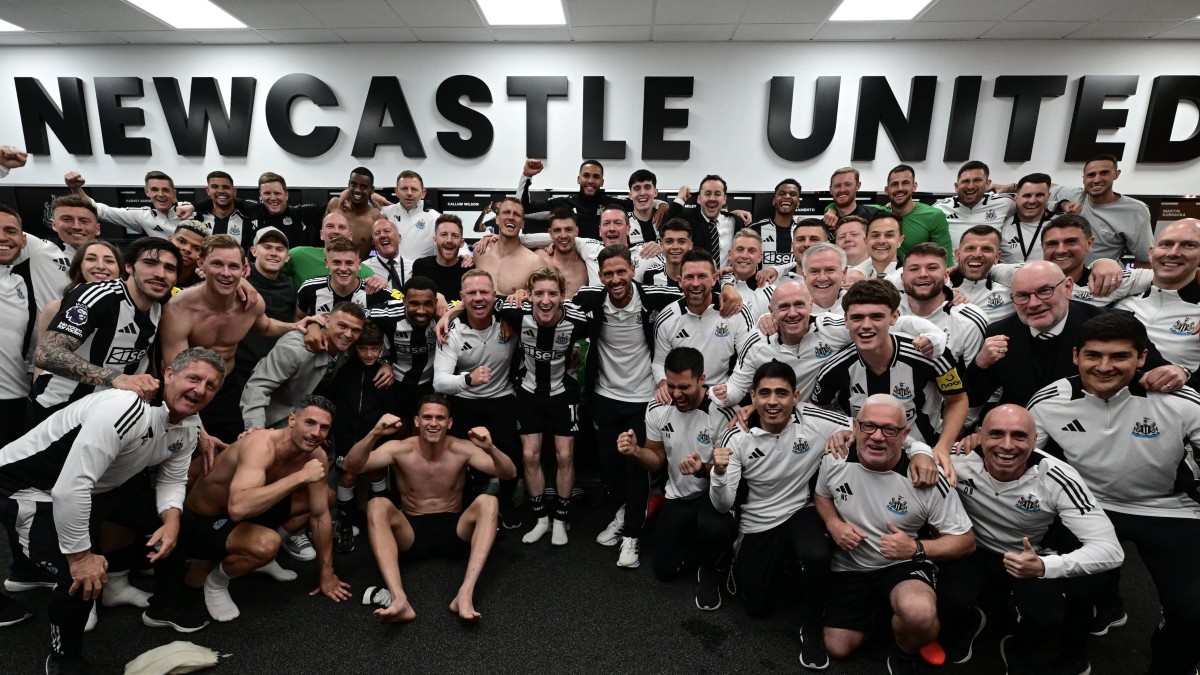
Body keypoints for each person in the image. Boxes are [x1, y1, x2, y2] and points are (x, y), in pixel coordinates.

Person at [0, 348, 226, 672]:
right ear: (169, 375)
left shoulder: (189, 426)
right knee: (76, 578)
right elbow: (70, 488)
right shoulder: (126, 407)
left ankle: (163, 607)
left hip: (101, 484)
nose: (200, 389)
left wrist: (172, 520)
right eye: (193, 378)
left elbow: (173, 479)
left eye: (210, 385)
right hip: (30, 486)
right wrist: (81, 558)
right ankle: (65, 659)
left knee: (180, 529)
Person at [1027, 312, 1200, 674]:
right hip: (1091, 505)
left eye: (1120, 356)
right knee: (1075, 595)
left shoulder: (1180, 399)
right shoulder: (1049, 401)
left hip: (1169, 508)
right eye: (1093, 355)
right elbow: (1022, 457)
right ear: (1076, 355)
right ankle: (1073, 658)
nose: (1104, 367)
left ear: (1142, 357)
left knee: (1190, 612)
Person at [941, 405, 1122, 673]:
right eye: (996, 434)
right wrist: (921, 453)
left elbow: (1111, 550)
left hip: (1030, 555)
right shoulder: (956, 458)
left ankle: (1018, 648)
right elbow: (904, 449)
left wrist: (1045, 566)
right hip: (974, 549)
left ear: (1035, 440)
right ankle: (971, 621)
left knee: (1046, 619)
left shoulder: (1057, 476)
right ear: (980, 435)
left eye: (1019, 435)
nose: (1007, 445)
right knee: (947, 600)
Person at [814, 394, 975, 674]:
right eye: (868, 426)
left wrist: (915, 548)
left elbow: (966, 541)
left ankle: (905, 650)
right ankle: (881, 613)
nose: (877, 437)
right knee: (838, 647)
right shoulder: (835, 457)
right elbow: (822, 495)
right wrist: (834, 524)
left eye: (889, 429)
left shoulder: (926, 476)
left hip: (902, 565)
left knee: (919, 615)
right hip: (851, 565)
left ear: (905, 435)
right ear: (855, 427)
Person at [710, 361, 855, 667]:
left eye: (782, 393)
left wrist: (848, 434)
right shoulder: (736, 435)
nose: (773, 401)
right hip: (758, 520)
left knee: (816, 554)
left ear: (796, 396)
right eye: (764, 393)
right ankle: (755, 562)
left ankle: (813, 625)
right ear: (753, 397)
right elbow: (723, 505)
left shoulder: (812, 418)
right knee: (757, 609)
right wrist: (719, 474)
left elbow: (868, 426)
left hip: (800, 510)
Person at [343, 397, 517, 622]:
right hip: (412, 532)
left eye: (440, 418)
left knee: (489, 501)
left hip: (454, 529)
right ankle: (399, 599)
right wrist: (374, 434)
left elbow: (509, 473)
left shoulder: (462, 448)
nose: (433, 423)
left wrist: (491, 448)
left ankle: (465, 595)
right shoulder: (400, 449)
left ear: (449, 423)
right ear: (417, 421)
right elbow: (350, 465)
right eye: (427, 417)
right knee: (376, 504)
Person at [181, 395, 350, 622]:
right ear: (292, 420)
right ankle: (217, 583)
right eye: (309, 423)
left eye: (324, 427)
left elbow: (320, 516)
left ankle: (261, 558)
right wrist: (300, 477)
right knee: (268, 544)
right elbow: (238, 508)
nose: (315, 433)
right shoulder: (261, 445)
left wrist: (327, 574)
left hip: (247, 514)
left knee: (324, 498)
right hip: (204, 521)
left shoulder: (316, 455)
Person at [573, 245, 684, 566]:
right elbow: (549, 305)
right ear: (600, 275)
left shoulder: (654, 297)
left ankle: (632, 537)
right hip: (604, 399)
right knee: (610, 465)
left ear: (633, 270)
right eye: (608, 273)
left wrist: (728, 290)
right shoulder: (590, 298)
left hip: (643, 400)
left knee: (637, 469)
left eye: (621, 271)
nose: (615, 279)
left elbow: (698, 292)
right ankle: (624, 513)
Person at [159, 234, 320, 444]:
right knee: (186, 448)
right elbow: (178, 374)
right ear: (201, 264)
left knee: (234, 446)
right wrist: (200, 432)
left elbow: (266, 326)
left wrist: (296, 326)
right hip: (186, 389)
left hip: (226, 385)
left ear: (244, 269)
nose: (226, 273)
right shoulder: (179, 309)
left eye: (233, 266)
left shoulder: (251, 302)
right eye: (217, 264)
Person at [966, 261, 1187, 409]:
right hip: (1025, 441)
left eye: (1045, 291)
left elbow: (1163, 372)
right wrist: (980, 364)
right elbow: (974, 399)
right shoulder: (999, 333)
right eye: (1022, 295)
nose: (1033, 303)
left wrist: (1180, 372)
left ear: (1068, 288)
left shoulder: (1116, 325)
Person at [811, 279, 968, 480]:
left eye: (876, 317)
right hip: (863, 459)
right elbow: (817, 412)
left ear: (894, 317)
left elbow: (957, 399)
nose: (866, 326)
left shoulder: (928, 354)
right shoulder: (835, 367)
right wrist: (842, 429)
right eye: (857, 317)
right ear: (846, 320)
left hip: (924, 453)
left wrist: (942, 448)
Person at [616, 347, 735, 603]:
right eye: (671, 386)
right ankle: (709, 551)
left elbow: (728, 472)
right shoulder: (658, 407)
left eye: (684, 387)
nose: (677, 394)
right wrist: (636, 451)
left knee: (714, 527)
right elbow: (656, 459)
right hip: (678, 495)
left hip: (712, 495)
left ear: (702, 380)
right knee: (664, 571)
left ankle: (711, 566)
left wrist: (701, 468)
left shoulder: (721, 412)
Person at [714, 279, 946, 406]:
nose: (792, 313)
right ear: (770, 310)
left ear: (811, 305)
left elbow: (899, 323)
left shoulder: (832, 327)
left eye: (799, 305)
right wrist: (722, 395)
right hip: (775, 414)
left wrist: (935, 337)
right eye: (783, 307)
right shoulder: (756, 342)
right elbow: (736, 387)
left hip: (822, 415)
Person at [29, 237, 179, 428]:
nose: (160, 273)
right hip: (59, 410)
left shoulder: (160, 306)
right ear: (129, 266)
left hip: (109, 415)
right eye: (150, 263)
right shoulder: (97, 295)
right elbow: (46, 353)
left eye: (169, 268)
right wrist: (118, 378)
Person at [497, 268, 588, 546]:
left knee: (565, 456)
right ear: (529, 295)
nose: (545, 300)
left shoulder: (578, 319)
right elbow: (479, 301)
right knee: (530, 455)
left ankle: (560, 519)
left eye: (552, 294)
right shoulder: (516, 311)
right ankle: (541, 520)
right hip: (529, 391)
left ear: (563, 296)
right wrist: (448, 313)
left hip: (563, 391)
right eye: (539, 294)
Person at [432, 270, 522, 529]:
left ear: (495, 295)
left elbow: (534, 304)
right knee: (458, 457)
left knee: (511, 453)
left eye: (484, 292)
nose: (478, 298)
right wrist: (467, 380)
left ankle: (506, 502)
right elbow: (439, 381)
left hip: (502, 396)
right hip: (465, 398)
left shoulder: (510, 321)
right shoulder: (451, 330)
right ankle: (466, 503)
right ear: (462, 297)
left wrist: (518, 298)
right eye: (471, 293)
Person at [240, 301, 366, 433]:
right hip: (272, 424)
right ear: (327, 322)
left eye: (356, 330)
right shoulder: (294, 350)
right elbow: (257, 387)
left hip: (310, 426)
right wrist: (255, 429)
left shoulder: (350, 348)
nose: (348, 334)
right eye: (342, 326)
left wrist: (383, 363)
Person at [327, 321, 394, 552]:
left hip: (374, 438)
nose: (369, 354)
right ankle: (345, 525)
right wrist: (329, 429)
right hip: (345, 437)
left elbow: (390, 409)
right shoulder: (345, 371)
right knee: (348, 477)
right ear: (355, 347)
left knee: (376, 473)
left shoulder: (385, 375)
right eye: (363, 348)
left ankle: (384, 519)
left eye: (374, 349)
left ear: (381, 347)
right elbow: (331, 401)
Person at [1115, 218, 1200, 378]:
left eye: (1189, 245)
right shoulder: (1117, 295)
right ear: (1151, 253)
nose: (1173, 253)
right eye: (1166, 244)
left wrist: (1185, 375)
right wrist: (1102, 262)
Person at [896, 243, 989, 368]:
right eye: (914, 269)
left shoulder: (970, 321)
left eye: (932, 268)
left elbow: (975, 376)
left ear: (946, 276)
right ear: (902, 278)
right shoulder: (884, 312)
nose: (922, 274)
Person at [1052, 154, 1153, 265]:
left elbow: (1145, 259)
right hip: (1063, 272)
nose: (1096, 180)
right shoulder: (1073, 195)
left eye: (1104, 173)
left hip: (1103, 274)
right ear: (1084, 178)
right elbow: (1045, 187)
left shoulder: (1135, 210)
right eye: (1091, 175)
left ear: (1116, 174)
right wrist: (1062, 204)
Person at [65, 170, 189, 239]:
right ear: (147, 192)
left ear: (174, 193)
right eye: (155, 190)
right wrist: (76, 189)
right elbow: (99, 210)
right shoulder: (142, 215)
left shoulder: (190, 209)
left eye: (165, 190)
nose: (160, 194)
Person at [871, 164, 955, 265]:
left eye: (905, 183)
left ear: (914, 186)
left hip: (919, 273)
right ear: (886, 190)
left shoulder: (933, 216)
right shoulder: (874, 213)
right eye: (894, 184)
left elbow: (946, 261)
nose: (900, 188)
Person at [296, 238, 395, 319]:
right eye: (337, 262)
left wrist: (388, 287)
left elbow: (401, 297)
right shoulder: (309, 288)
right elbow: (300, 318)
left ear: (359, 264)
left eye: (349, 263)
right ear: (327, 263)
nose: (343, 268)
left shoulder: (374, 289)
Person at [281, 212, 377, 295]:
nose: (336, 231)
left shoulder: (364, 271)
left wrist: (380, 284)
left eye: (342, 227)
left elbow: (383, 296)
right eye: (330, 226)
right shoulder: (298, 255)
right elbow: (272, 275)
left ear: (350, 236)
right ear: (321, 234)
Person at [517, 159, 609, 240]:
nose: (590, 181)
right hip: (571, 254)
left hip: (604, 254)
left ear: (602, 182)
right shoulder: (564, 203)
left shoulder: (612, 205)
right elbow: (523, 209)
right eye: (586, 176)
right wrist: (526, 176)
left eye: (596, 177)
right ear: (578, 179)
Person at [665, 174, 743, 269]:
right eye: (707, 194)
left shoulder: (736, 221)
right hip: (696, 276)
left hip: (727, 277)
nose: (712, 198)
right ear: (699, 199)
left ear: (724, 199)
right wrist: (680, 198)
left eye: (717, 194)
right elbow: (667, 225)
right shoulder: (688, 220)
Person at [472, 198, 545, 296]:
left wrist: (527, 296)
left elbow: (543, 298)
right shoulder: (480, 252)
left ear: (522, 224)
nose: (511, 217)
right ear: (497, 219)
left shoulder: (535, 263)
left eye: (516, 214)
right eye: (506, 212)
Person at [933, 160, 1016, 247]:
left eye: (977, 180)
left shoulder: (1005, 203)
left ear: (987, 184)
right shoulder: (940, 208)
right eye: (965, 181)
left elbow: (1025, 201)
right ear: (956, 186)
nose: (970, 186)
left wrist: (1013, 187)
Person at [951, 225, 1015, 323]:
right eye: (970, 248)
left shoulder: (1010, 295)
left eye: (986, 249)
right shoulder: (938, 291)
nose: (977, 254)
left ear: (997, 257)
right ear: (957, 254)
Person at [379, 170, 443, 260]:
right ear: (396, 191)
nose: (409, 193)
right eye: (404, 188)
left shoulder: (434, 217)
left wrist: (463, 254)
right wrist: (371, 195)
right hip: (393, 266)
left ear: (423, 193)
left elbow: (453, 237)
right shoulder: (387, 211)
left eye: (414, 189)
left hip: (422, 267)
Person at [999, 173, 1057, 264]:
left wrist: (1063, 204)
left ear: (1048, 197)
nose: (1032, 201)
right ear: (1016, 198)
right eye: (1027, 195)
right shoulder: (1001, 223)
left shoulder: (1060, 223)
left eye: (1039, 195)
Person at [325, 166, 382, 258]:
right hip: (328, 263)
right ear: (349, 185)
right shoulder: (334, 205)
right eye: (354, 185)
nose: (357, 190)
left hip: (358, 265)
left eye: (363, 187)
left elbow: (379, 250)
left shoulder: (376, 219)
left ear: (371, 189)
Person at [413, 215, 470, 303]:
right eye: (443, 235)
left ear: (462, 243)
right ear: (435, 240)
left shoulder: (469, 269)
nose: (449, 240)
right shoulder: (421, 266)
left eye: (455, 236)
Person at [536, 209, 591, 297]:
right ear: (550, 233)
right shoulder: (539, 258)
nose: (563, 235)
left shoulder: (587, 263)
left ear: (576, 231)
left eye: (568, 229)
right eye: (557, 230)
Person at [748, 179, 802, 268]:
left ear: (798, 203)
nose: (787, 196)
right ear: (774, 201)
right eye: (782, 193)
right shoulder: (755, 229)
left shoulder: (803, 231)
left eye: (792, 194)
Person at [195, 171, 251, 242]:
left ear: (234, 191)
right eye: (215, 187)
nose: (221, 191)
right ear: (208, 190)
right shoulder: (197, 219)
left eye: (226, 187)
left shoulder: (248, 219)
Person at [362, 218, 416, 290]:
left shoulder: (413, 266)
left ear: (399, 238)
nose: (382, 235)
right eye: (377, 233)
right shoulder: (363, 268)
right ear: (373, 243)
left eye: (387, 231)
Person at [853, 210, 903, 279]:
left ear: (900, 241)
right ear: (865, 241)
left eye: (889, 235)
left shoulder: (911, 277)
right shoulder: (850, 277)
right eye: (875, 235)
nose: (881, 241)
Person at [167, 219, 211, 288]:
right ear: (170, 240)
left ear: (203, 255)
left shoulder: (204, 283)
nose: (187, 249)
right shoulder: (150, 266)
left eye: (196, 248)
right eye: (181, 241)